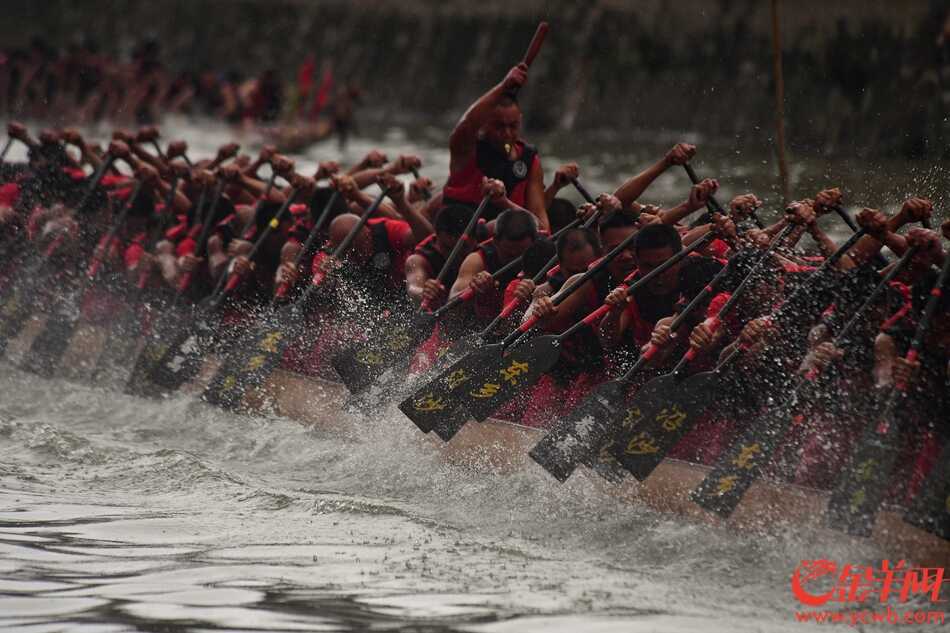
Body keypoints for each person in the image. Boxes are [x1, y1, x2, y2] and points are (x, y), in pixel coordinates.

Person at [443, 63, 548, 231]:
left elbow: (542, 226)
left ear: (520, 121)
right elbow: (466, 125)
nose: (507, 134)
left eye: (513, 126)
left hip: (506, 245)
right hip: (455, 240)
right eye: (499, 126)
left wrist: (504, 202)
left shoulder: (530, 160)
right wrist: (503, 86)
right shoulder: (466, 148)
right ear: (484, 124)